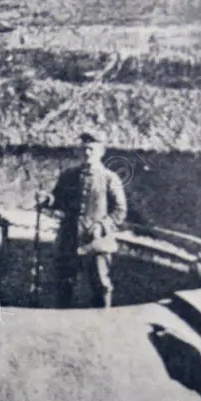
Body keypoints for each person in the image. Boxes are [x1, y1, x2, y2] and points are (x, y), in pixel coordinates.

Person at [38, 130, 128, 308]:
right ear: (79, 151)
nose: (87, 153)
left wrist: (101, 227)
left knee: (101, 285)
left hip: (96, 241)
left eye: (91, 149)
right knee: (64, 284)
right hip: (69, 239)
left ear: (101, 152)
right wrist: (47, 199)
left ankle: (103, 322)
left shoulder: (110, 178)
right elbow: (59, 200)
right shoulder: (68, 176)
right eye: (84, 149)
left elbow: (120, 210)